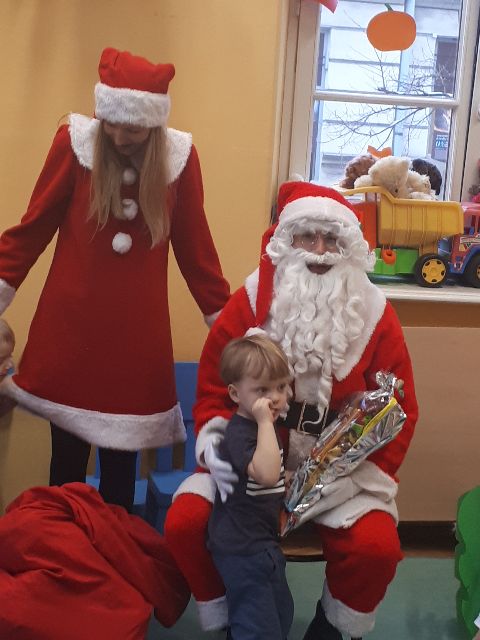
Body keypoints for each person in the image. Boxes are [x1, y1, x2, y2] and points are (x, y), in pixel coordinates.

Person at [164, 181, 418, 639]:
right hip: (250, 465)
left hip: (341, 480)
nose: (319, 251)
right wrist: (221, 454)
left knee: (376, 549)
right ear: (286, 241)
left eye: (332, 239)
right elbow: (212, 391)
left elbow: (403, 409)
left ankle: (331, 628)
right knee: (186, 523)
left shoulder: (376, 314)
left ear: (348, 247)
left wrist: (353, 476)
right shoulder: (249, 302)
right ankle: (231, 615)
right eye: (307, 237)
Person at [0, 47, 230, 512]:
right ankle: (59, 548)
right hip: (69, 334)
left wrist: (228, 323)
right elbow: (32, 228)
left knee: (121, 477)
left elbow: (196, 250)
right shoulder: (74, 145)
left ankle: (115, 554)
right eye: (114, 124)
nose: (122, 137)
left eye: (135, 128)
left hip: (136, 340)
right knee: (65, 470)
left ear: (154, 125)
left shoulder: (179, 160)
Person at [208, 334, 293, 640]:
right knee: (259, 627)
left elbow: (270, 476)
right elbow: (266, 474)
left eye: (281, 387)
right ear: (235, 393)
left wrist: (288, 477)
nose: (275, 398)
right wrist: (266, 424)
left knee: (281, 615)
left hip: (263, 544)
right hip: (242, 548)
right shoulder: (241, 432)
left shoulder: (261, 428)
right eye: (262, 390)